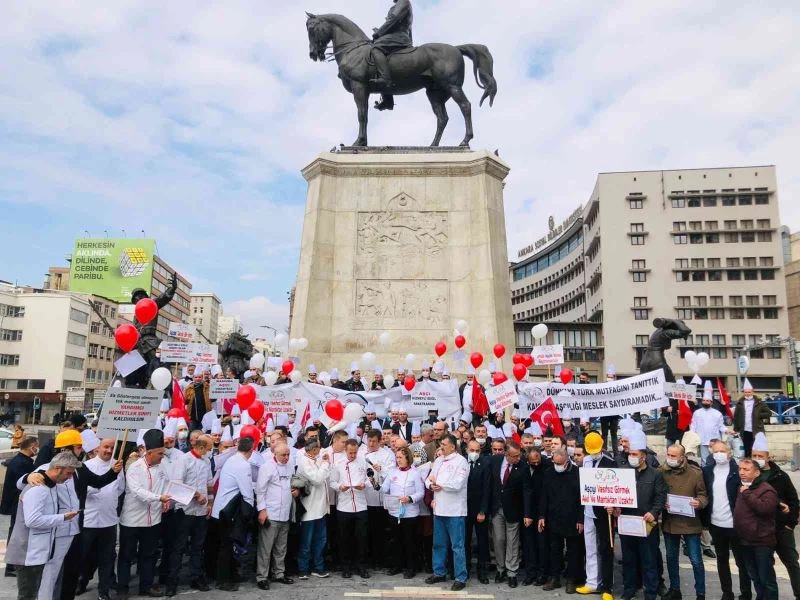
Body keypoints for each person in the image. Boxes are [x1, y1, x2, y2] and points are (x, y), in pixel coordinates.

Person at [6, 451, 82, 600]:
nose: (70, 477)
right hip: (28, 554)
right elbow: (32, 521)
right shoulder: (38, 488)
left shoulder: (50, 486)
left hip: (39, 552)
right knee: (28, 595)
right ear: (58, 468)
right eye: (68, 473)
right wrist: (62, 517)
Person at [117, 429, 170, 600]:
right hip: (132, 520)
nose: (163, 456)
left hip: (153, 519)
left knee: (149, 554)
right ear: (150, 452)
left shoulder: (162, 467)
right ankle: (122, 588)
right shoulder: (134, 468)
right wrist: (159, 498)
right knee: (126, 555)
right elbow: (137, 492)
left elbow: (166, 485)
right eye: (160, 453)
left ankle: (146, 586)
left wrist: (167, 500)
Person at [617, 430, 667, 600]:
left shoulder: (656, 474)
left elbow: (661, 496)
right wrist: (615, 508)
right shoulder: (623, 471)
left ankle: (651, 592)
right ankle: (629, 588)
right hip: (627, 521)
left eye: (634, 454)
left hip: (646, 524)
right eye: (629, 453)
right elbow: (617, 494)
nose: (631, 456)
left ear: (643, 456)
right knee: (629, 559)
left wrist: (654, 512)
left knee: (649, 560)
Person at [750, 432, 800, 598]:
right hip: (761, 531)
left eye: (760, 456)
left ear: (768, 457)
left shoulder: (781, 476)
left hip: (781, 528)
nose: (757, 458)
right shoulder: (748, 477)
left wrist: (790, 524)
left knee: (792, 563)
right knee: (765, 566)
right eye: (754, 455)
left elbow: (794, 501)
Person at [701, 440, 752, 600]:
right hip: (716, 524)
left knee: (741, 561)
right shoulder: (707, 471)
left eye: (722, 451)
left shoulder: (738, 471)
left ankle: (746, 593)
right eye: (715, 451)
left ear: (729, 452)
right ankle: (727, 592)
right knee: (722, 560)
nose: (719, 454)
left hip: (735, 525)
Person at [79, 438, 126, 600]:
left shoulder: (118, 466)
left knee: (107, 558)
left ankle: (103, 591)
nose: (108, 450)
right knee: (85, 556)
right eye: (106, 447)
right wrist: (97, 492)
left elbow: (120, 489)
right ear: (98, 448)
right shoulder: (87, 466)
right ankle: (81, 582)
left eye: (112, 448)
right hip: (89, 521)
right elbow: (83, 490)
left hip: (109, 521)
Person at [167, 434, 214, 595]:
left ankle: (196, 577)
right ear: (200, 448)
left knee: (198, 546)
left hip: (201, 512)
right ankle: (172, 581)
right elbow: (177, 485)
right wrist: (196, 495)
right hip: (184, 510)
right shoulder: (184, 460)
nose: (209, 452)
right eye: (208, 449)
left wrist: (210, 502)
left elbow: (209, 483)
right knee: (179, 547)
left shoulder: (206, 461)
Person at [661, 443, 708, 600]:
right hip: (671, 522)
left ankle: (700, 593)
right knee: (671, 558)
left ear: (682, 457)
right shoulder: (661, 472)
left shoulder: (695, 473)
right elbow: (656, 494)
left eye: (673, 456)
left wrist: (699, 502)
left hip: (690, 523)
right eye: (668, 454)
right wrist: (662, 502)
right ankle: (675, 589)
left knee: (696, 560)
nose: (670, 458)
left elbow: (703, 495)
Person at [211, 435, 257, 591]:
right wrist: (250, 512)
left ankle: (231, 574)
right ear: (252, 449)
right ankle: (223, 580)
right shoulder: (243, 465)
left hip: (221, 509)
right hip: (227, 512)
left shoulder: (232, 460)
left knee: (227, 545)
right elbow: (247, 492)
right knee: (226, 546)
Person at [425, 433, 469, 592]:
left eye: (443, 444)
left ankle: (460, 577)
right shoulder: (438, 460)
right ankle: (439, 572)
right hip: (439, 510)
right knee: (438, 544)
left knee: (457, 546)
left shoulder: (461, 462)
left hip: (455, 511)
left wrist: (438, 483)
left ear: (452, 446)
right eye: (440, 444)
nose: (441, 446)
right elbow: (428, 479)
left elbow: (457, 484)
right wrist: (431, 486)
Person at [538, 448, 583, 593]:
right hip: (553, 518)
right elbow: (543, 496)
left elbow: (582, 499)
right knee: (554, 550)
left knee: (573, 551)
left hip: (572, 518)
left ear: (566, 461)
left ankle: (571, 579)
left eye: (560, 463)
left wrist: (580, 519)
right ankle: (554, 578)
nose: (557, 466)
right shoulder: (549, 473)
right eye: (555, 463)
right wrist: (541, 516)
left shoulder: (577, 474)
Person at [576, 431, 615, 600]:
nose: (593, 454)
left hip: (604, 512)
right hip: (588, 511)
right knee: (590, 548)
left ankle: (607, 586)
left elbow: (615, 487)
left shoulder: (610, 463)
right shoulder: (585, 461)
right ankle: (591, 582)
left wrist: (612, 504)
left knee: (606, 548)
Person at [734, 458, 779, 600]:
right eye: (740, 469)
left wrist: (746, 494)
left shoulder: (766, 489)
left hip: (762, 542)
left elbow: (764, 509)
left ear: (757, 472)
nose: (742, 472)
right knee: (755, 578)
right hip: (745, 541)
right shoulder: (742, 487)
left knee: (766, 579)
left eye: (746, 469)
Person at [256, 442, 296, 589]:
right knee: (265, 548)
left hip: (285, 513)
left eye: (288, 454)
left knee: (281, 547)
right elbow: (260, 491)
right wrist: (262, 510)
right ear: (275, 454)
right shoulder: (267, 467)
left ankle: (279, 573)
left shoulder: (290, 465)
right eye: (283, 455)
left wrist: (295, 490)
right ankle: (262, 576)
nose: (286, 457)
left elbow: (291, 483)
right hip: (271, 512)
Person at [330, 438, 370, 578]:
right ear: (345, 450)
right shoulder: (338, 464)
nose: (353, 455)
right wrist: (340, 487)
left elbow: (369, 479)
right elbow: (332, 482)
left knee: (361, 538)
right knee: (344, 538)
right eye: (350, 453)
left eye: (355, 452)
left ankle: (361, 566)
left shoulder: (363, 462)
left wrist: (364, 485)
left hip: (360, 505)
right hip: (344, 506)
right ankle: (346, 566)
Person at [383, 446, 425, 578]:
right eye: (397, 457)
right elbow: (385, 489)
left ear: (408, 458)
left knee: (409, 541)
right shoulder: (392, 472)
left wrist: (410, 498)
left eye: (401, 457)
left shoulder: (415, 473)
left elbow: (421, 493)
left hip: (410, 512)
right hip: (395, 512)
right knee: (396, 540)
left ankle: (411, 567)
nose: (398, 460)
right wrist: (374, 483)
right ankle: (397, 565)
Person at [489, 439, 525, 588]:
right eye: (515, 456)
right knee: (498, 539)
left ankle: (512, 572)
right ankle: (500, 569)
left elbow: (526, 490)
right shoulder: (495, 462)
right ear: (506, 454)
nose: (518, 458)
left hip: (514, 510)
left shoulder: (522, 466)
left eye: (519, 455)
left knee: (512, 542)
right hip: (497, 508)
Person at [0, 435, 37, 577]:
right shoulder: (21, 463)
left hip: (17, 502)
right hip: (17, 502)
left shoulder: (21, 460)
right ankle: (11, 565)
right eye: (36, 446)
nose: (37, 449)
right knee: (16, 533)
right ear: (30, 447)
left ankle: (13, 564)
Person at [296, 439, 331, 579]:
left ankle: (318, 567)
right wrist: (325, 464)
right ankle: (303, 568)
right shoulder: (304, 462)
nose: (321, 448)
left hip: (321, 507)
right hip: (309, 508)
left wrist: (324, 464)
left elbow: (326, 475)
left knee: (321, 540)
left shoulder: (316, 459)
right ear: (314, 449)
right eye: (319, 447)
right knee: (306, 541)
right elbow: (317, 479)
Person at [370, 0, 413, 111]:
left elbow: (394, 19)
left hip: (399, 37)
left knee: (376, 49)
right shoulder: (402, 3)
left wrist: (379, 33)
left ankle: (385, 80)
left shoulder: (403, 2)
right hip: (397, 36)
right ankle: (388, 100)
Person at [464, 439, 491, 584]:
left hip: (480, 509)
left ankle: (482, 572)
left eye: (477, 450)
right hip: (464, 509)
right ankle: (466, 569)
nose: (474, 453)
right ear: (466, 449)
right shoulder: (462, 463)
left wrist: (483, 510)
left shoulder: (485, 464)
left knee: (482, 541)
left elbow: (487, 489)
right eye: (471, 450)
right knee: (465, 541)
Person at [522, 447, 548, 586]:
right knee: (529, 545)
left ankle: (542, 573)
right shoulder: (526, 469)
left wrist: (541, 516)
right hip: (529, 512)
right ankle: (530, 573)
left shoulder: (546, 467)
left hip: (543, 512)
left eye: (538, 462)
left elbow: (545, 493)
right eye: (533, 462)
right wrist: (527, 514)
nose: (536, 465)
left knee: (542, 545)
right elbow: (526, 491)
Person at [733, 378, 771, 457]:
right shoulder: (740, 403)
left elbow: (768, 413)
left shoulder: (759, 402)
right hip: (744, 430)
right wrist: (736, 429)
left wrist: (758, 415)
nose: (748, 394)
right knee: (746, 448)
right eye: (746, 392)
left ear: (753, 392)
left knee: (757, 448)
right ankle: (748, 462)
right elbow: (736, 416)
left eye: (749, 392)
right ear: (744, 392)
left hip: (756, 429)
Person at [690, 381, 727, 462]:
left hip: (715, 440)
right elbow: (693, 425)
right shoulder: (697, 413)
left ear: (711, 402)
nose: (705, 402)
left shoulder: (717, 413)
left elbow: (721, 426)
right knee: (704, 460)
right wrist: (691, 436)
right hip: (702, 440)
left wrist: (728, 430)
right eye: (704, 400)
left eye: (707, 401)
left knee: (716, 459)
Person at [599, 366, 619, 452]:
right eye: (609, 376)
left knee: (614, 433)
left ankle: (616, 451)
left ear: (614, 377)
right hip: (604, 413)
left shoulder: (618, 386)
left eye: (612, 377)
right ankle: (604, 450)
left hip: (614, 414)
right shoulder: (602, 385)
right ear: (607, 376)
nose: (610, 378)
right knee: (604, 434)